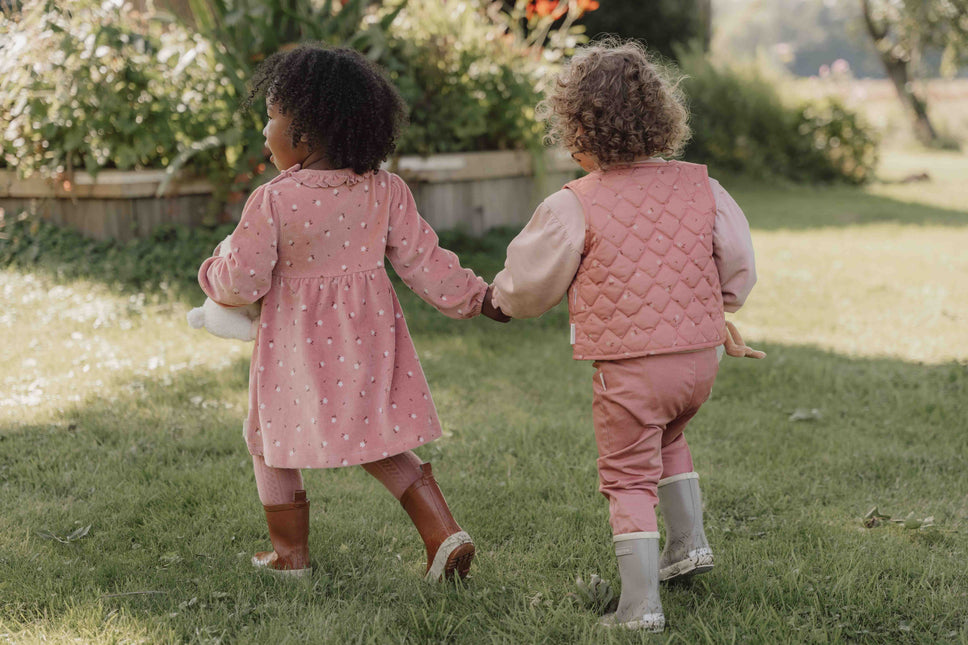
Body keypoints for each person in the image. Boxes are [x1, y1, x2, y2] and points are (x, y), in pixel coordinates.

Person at [197, 45, 508, 582]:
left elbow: (239, 280)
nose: (264, 132)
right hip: (367, 341)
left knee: (268, 440)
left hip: (293, 347)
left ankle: (290, 557)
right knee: (377, 439)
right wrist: (477, 297)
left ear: (304, 134)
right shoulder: (385, 189)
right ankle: (443, 533)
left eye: (271, 118)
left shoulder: (272, 200)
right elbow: (425, 263)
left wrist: (212, 271)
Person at [488, 39, 762, 630]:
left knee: (627, 474)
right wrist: (723, 308)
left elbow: (531, 281)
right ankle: (688, 545)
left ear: (577, 130)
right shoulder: (702, 188)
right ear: (661, 118)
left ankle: (638, 607)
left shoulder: (575, 205)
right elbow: (738, 261)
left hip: (632, 368)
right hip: (699, 359)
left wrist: (501, 301)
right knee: (668, 436)